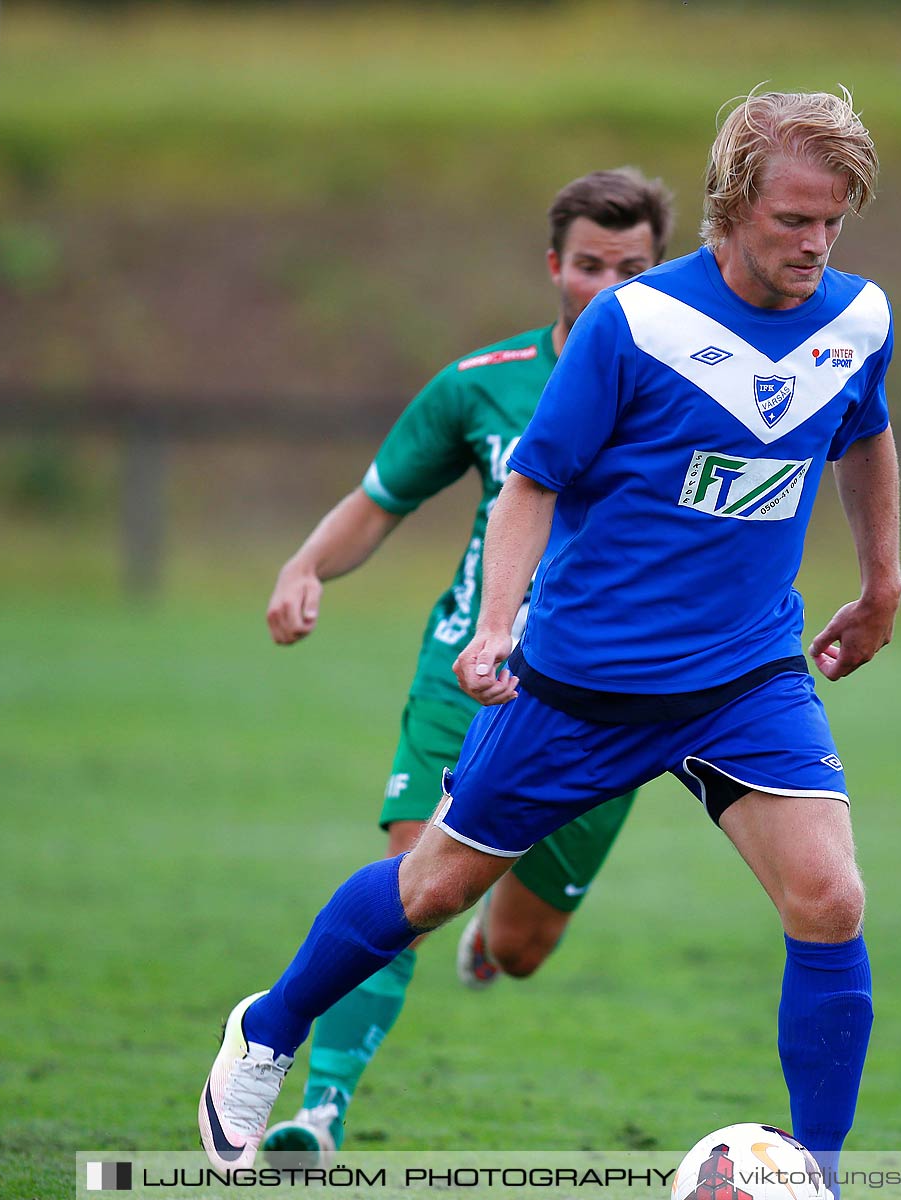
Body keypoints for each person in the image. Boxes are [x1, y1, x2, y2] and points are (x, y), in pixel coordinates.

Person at [199, 90, 900, 1184]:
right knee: (430, 890)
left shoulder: (858, 318)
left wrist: (883, 583)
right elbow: (531, 483)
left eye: (834, 223)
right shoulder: (636, 326)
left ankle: (818, 1169)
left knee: (831, 897)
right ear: (730, 206)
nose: (816, 245)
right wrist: (492, 632)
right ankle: (267, 1035)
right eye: (792, 221)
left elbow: (866, 435)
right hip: (580, 682)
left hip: (747, 675)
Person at [252, 167, 676, 1165]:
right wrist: (307, 562)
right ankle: (320, 1108)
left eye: (634, 268)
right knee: (411, 874)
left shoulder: (699, 389)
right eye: (588, 266)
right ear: (552, 267)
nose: (609, 288)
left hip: (609, 697)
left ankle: (495, 933)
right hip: (471, 667)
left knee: (523, 952)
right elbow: (380, 497)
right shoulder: (483, 383)